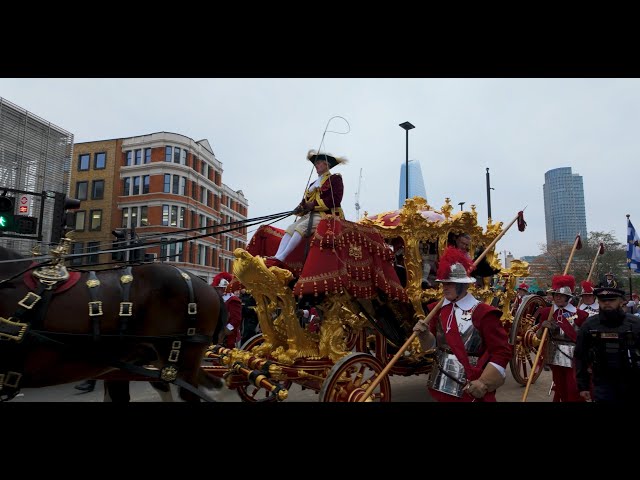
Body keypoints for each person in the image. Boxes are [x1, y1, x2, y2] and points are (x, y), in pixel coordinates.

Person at [412, 246, 512, 402]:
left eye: (450, 283)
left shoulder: (483, 313)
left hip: (470, 382)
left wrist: (484, 382)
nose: (445, 287)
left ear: (464, 285)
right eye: (443, 283)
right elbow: (432, 347)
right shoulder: (437, 310)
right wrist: (425, 336)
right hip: (441, 379)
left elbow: (501, 352)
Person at [266, 150, 347, 269]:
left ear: (326, 165)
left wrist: (313, 205)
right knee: (290, 229)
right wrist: (300, 208)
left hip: (327, 214)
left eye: (319, 163)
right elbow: (306, 203)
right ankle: (277, 256)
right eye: (316, 164)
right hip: (311, 215)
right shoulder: (313, 184)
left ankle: (282, 257)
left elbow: (335, 199)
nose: (316, 166)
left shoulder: (335, 179)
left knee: (300, 228)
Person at [529, 274, 588, 402]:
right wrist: (542, 327)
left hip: (574, 354)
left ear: (568, 297)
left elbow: (585, 338)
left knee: (573, 387)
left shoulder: (581, 315)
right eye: (556, 295)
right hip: (554, 353)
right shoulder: (547, 312)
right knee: (559, 386)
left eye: (561, 296)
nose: (558, 298)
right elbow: (536, 338)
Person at [575, 287, 640, 402]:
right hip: (603, 381)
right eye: (603, 300)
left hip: (632, 380)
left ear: (621, 301)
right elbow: (581, 356)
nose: (607, 303)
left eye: (612, 300)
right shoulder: (589, 325)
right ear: (598, 301)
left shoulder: (635, 324)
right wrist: (583, 386)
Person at [212, 272, 242, 348]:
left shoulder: (233, 300)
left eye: (217, 288)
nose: (215, 290)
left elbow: (236, 320)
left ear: (223, 289)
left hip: (228, 337)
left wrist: (224, 332)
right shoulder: (218, 299)